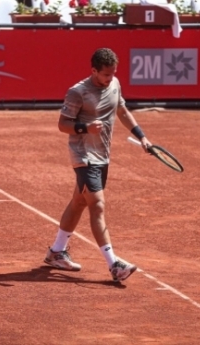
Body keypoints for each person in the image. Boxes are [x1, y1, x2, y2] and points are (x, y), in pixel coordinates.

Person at [44, 48, 152, 283]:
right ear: (93, 70)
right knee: (97, 205)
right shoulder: (78, 92)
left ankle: (56, 252)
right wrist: (85, 128)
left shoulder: (114, 84)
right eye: (105, 75)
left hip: (102, 155)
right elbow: (63, 124)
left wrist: (141, 135)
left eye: (113, 73)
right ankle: (114, 264)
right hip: (83, 156)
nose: (110, 78)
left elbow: (121, 109)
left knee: (79, 202)